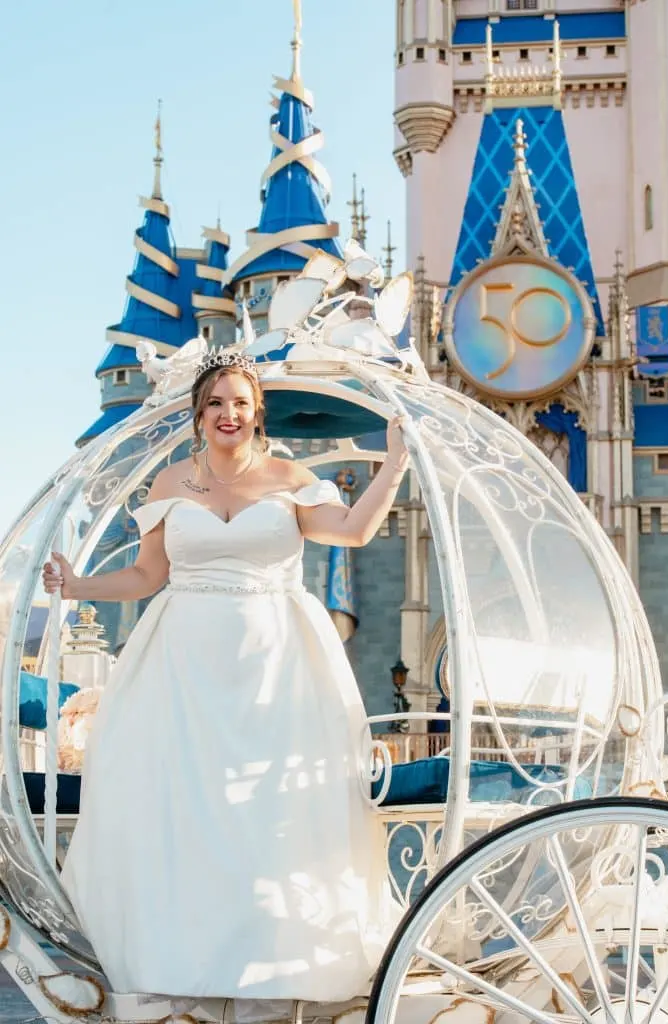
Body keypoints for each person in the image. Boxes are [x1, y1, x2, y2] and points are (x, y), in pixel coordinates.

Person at [43, 349, 409, 1001]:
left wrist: (394, 464)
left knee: (274, 804)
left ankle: (276, 957)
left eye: (240, 402)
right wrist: (77, 585)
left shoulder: (290, 477)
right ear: (197, 414)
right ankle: (176, 959)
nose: (228, 413)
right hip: (181, 662)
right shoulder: (169, 485)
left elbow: (352, 531)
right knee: (181, 803)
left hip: (278, 661)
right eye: (215, 402)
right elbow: (146, 576)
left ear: (256, 412)